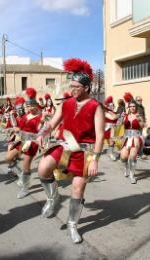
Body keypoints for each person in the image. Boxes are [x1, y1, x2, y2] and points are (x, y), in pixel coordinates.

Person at [36, 58, 105, 244]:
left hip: (84, 152)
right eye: (71, 85)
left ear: (86, 87)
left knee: (77, 188)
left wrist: (95, 160)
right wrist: (42, 132)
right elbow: (51, 123)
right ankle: (53, 198)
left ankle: (72, 224)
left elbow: (100, 135)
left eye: (77, 86)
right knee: (43, 168)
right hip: (64, 146)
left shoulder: (95, 107)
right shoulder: (65, 103)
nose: (73, 89)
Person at [5, 87, 43, 199]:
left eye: (32, 105)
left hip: (32, 143)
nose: (30, 108)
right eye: (28, 105)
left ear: (36, 105)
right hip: (22, 140)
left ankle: (25, 188)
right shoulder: (26, 116)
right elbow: (19, 129)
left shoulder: (40, 117)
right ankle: (21, 175)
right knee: (8, 158)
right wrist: (14, 141)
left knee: (26, 165)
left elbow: (41, 131)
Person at [120, 93, 144, 184]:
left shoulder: (139, 115)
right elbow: (118, 125)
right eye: (131, 106)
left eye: (134, 106)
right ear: (128, 107)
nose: (133, 108)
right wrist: (121, 118)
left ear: (136, 107)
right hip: (126, 138)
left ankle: (132, 174)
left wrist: (139, 119)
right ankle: (126, 168)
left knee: (132, 157)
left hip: (136, 138)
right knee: (123, 157)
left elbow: (142, 126)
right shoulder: (125, 116)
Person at [104, 96, 119, 161]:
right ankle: (95, 152)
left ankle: (111, 153)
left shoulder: (115, 113)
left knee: (112, 142)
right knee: (100, 141)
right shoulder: (106, 113)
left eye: (113, 105)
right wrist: (117, 116)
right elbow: (112, 118)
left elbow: (118, 121)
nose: (112, 106)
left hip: (113, 128)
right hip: (107, 128)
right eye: (110, 105)